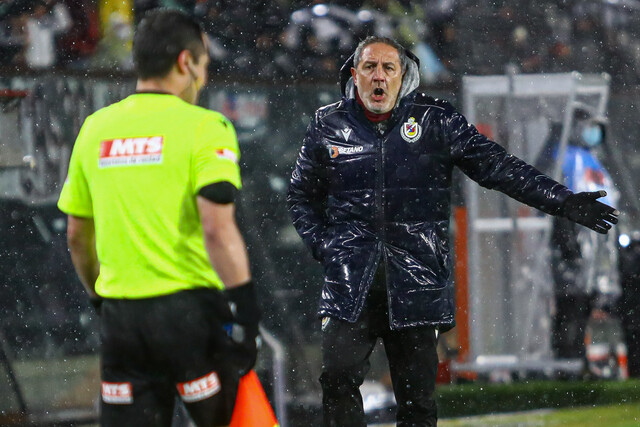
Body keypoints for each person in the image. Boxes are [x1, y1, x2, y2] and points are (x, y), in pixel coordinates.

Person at [287, 36, 619, 426]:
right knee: (338, 380)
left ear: (403, 75)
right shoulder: (328, 123)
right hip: (349, 285)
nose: (379, 76)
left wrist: (563, 201)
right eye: (370, 67)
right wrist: (326, 247)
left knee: (418, 402)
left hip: (417, 284)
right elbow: (300, 197)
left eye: (388, 68)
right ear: (354, 75)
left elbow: (500, 167)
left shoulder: (436, 120)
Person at [57, 9, 259, 426]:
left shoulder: (95, 128)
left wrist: (99, 295)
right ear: (187, 62)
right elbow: (217, 229)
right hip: (189, 315)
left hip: (121, 321)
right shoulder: (206, 126)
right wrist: (245, 310)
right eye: (204, 66)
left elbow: (77, 234)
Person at [537, 109, 621, 377]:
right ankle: (567, 363)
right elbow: (556, 200)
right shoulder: (561, 157)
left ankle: (577, 361)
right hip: (573, 244)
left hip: (595, 246)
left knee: (584, 305)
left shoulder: (591, 158)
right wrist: (566, 240)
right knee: (570, 307)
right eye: (588, 125)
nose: (592, 131)